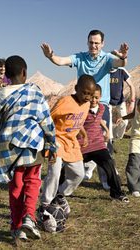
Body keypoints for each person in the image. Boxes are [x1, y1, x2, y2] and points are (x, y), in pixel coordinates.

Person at [0, 55, 57, 241]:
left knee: (16, 185)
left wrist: (0, 138)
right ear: (24, 73)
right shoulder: (34, 92)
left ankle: (16, 226)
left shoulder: (1, 94)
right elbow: (46, 120)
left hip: (10, 148)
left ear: (6, 76)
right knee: (33, 180)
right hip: (32, 145)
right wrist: (52, 143)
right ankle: (29, 217)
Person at [41, 29, 129, 131]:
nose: (93, 45)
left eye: (97, 43)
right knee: (82, 138)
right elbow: (61, 61)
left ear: (102, 44)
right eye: (91, 42)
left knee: (101, 138)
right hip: (82, 103)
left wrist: (123, 57)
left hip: (101, 104)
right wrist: (51, 56)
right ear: (87, 42)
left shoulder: (107, 58)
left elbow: (120, 63)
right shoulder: (80, 57)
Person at [39, 74, 96, 215]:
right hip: (57, 140)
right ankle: (46, 204)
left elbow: (78, 121)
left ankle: (60, 195)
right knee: (55, 173)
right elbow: (49, 118)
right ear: (76, 89)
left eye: (90, 94)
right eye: (84, 93)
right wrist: (47, 140)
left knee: (79, 174)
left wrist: (84, 134)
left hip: (71, 143)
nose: (87, 97)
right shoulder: (65, 101)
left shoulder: (87, 104)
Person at [78, 84, 129, 202]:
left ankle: (117, 193)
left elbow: (99, 119)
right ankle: (58, 190)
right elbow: (78, 123)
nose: (93, 100)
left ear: (100, 97)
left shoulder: (101, 108)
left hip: (98, 144)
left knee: (109, 164)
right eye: (91, 97)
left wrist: (106, 130)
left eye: (96, 97)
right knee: (69, 168)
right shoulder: (82, 109)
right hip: (83, 145)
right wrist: (84, 135)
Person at [118, 78, 140, 198]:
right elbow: (134, 114)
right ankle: (134, 187)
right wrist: (124, 117)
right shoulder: (138, 102)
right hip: (136, 137)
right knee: (133, 163)